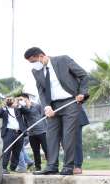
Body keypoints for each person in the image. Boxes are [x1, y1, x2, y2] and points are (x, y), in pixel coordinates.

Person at [24, 47, 89, 175]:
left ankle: (68, 166)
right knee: (51, 135)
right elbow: (41, 91)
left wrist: (82, 93)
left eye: (33, 61)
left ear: (41, 56)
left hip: (71, 102)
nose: (33, 65)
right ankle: (52, 165)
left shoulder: (63, 60)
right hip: (53, 106)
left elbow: (83, 75)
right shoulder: (36, 71)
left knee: (68, 135)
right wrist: (46, 106)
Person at [16, 93, 48, 172]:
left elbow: (44, 116)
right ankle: (38, 167)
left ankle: (51, 165)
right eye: (19, 100)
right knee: (35, 151)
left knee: (46, 149)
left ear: (27, 99)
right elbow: (24, 120)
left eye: (22, 99)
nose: (21, 101)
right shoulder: (22, 109)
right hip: (31, 133)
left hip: (42, 131)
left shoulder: (37, 106)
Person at [0, 97, 23, 174]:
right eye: (10, 101)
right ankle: (4, 168)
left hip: (19, 132)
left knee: (17, 151)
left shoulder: (18, 109)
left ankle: (13, 167)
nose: (11, 102)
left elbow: (27, 111)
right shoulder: (4, 110)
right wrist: (3, 106)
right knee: (7, 150)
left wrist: (19, 103)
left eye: (12, 100)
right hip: (8, 132)